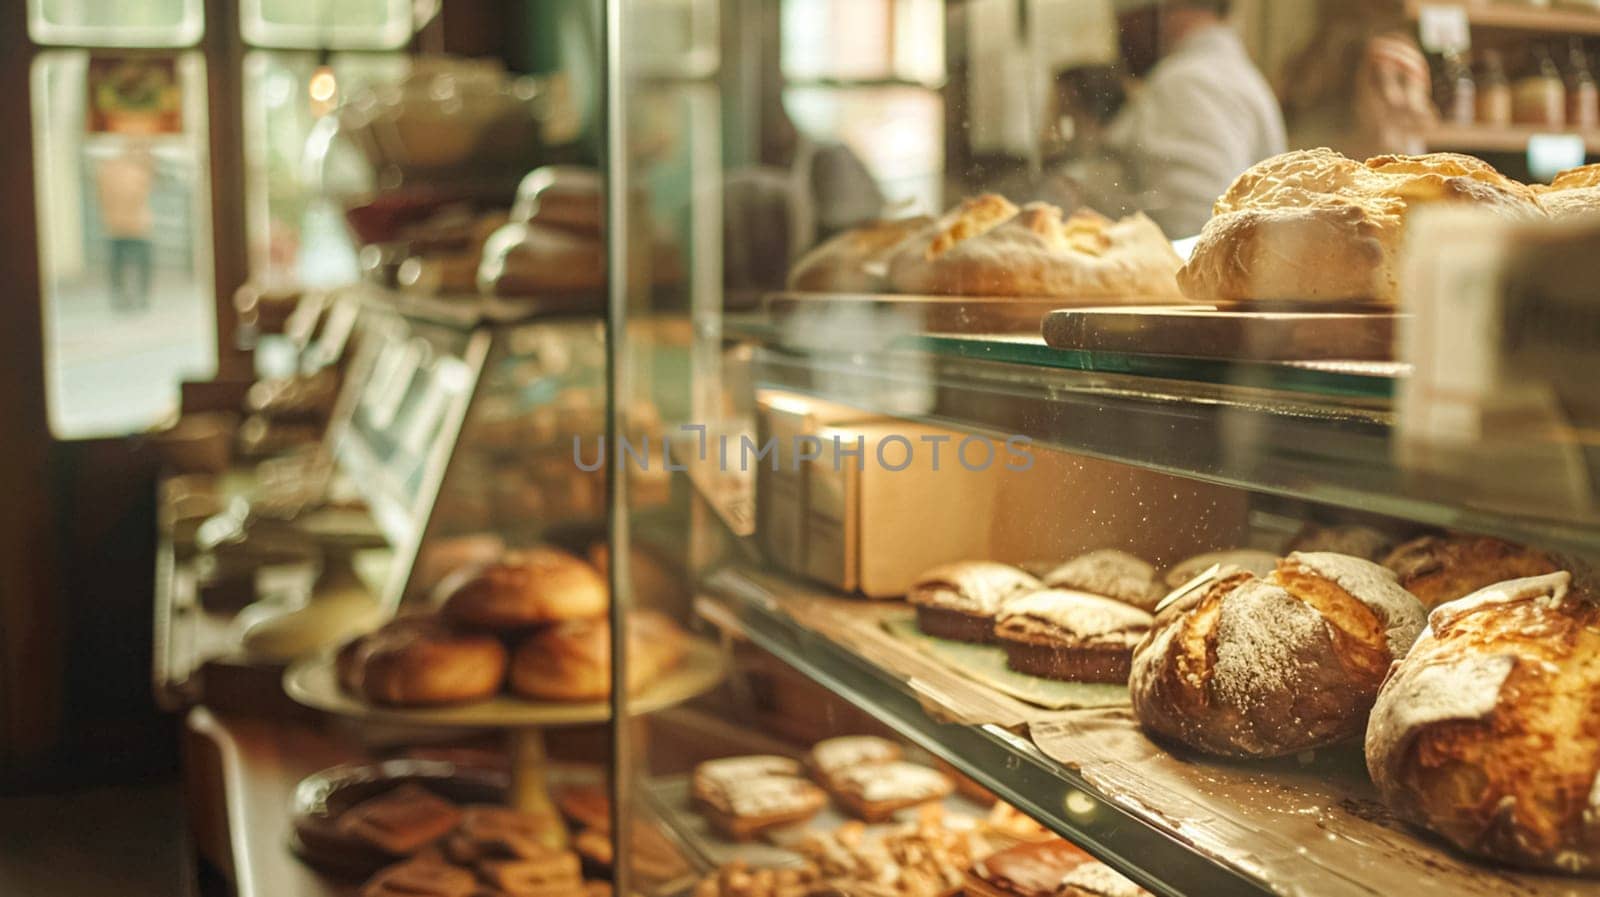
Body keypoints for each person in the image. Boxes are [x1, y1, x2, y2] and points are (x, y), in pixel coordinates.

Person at [1099, 0, 1286, 237]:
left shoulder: (1189, 81)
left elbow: (1196, 225)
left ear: (1163, 9)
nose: (1120, 33)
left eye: (1125, 19)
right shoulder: (1219, 72)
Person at [95, 139, 156, 311]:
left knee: (119, 264)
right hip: (133, 225)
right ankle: (135, 296)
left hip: (119, 224)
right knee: (135, 264)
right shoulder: (134, 171)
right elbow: (138, 192)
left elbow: (101, 195)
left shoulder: (108, 170)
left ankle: (125, 296)